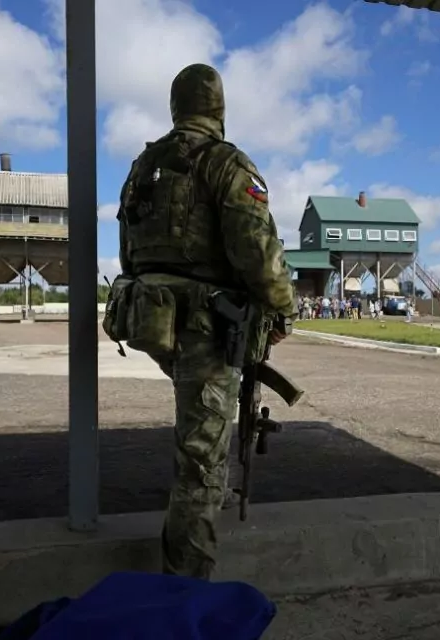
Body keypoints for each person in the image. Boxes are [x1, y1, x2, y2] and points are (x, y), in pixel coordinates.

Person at [111, 63, 297, 581]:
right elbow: (257, 251)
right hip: (204, 327)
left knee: (198, 436)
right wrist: (283, 309)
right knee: (200, 462)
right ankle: (185, 592)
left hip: (152, 319)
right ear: (218, 108)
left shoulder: (144, 166)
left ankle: (197, 530)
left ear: (177, 106)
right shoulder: (225, 162)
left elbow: (128, 251)